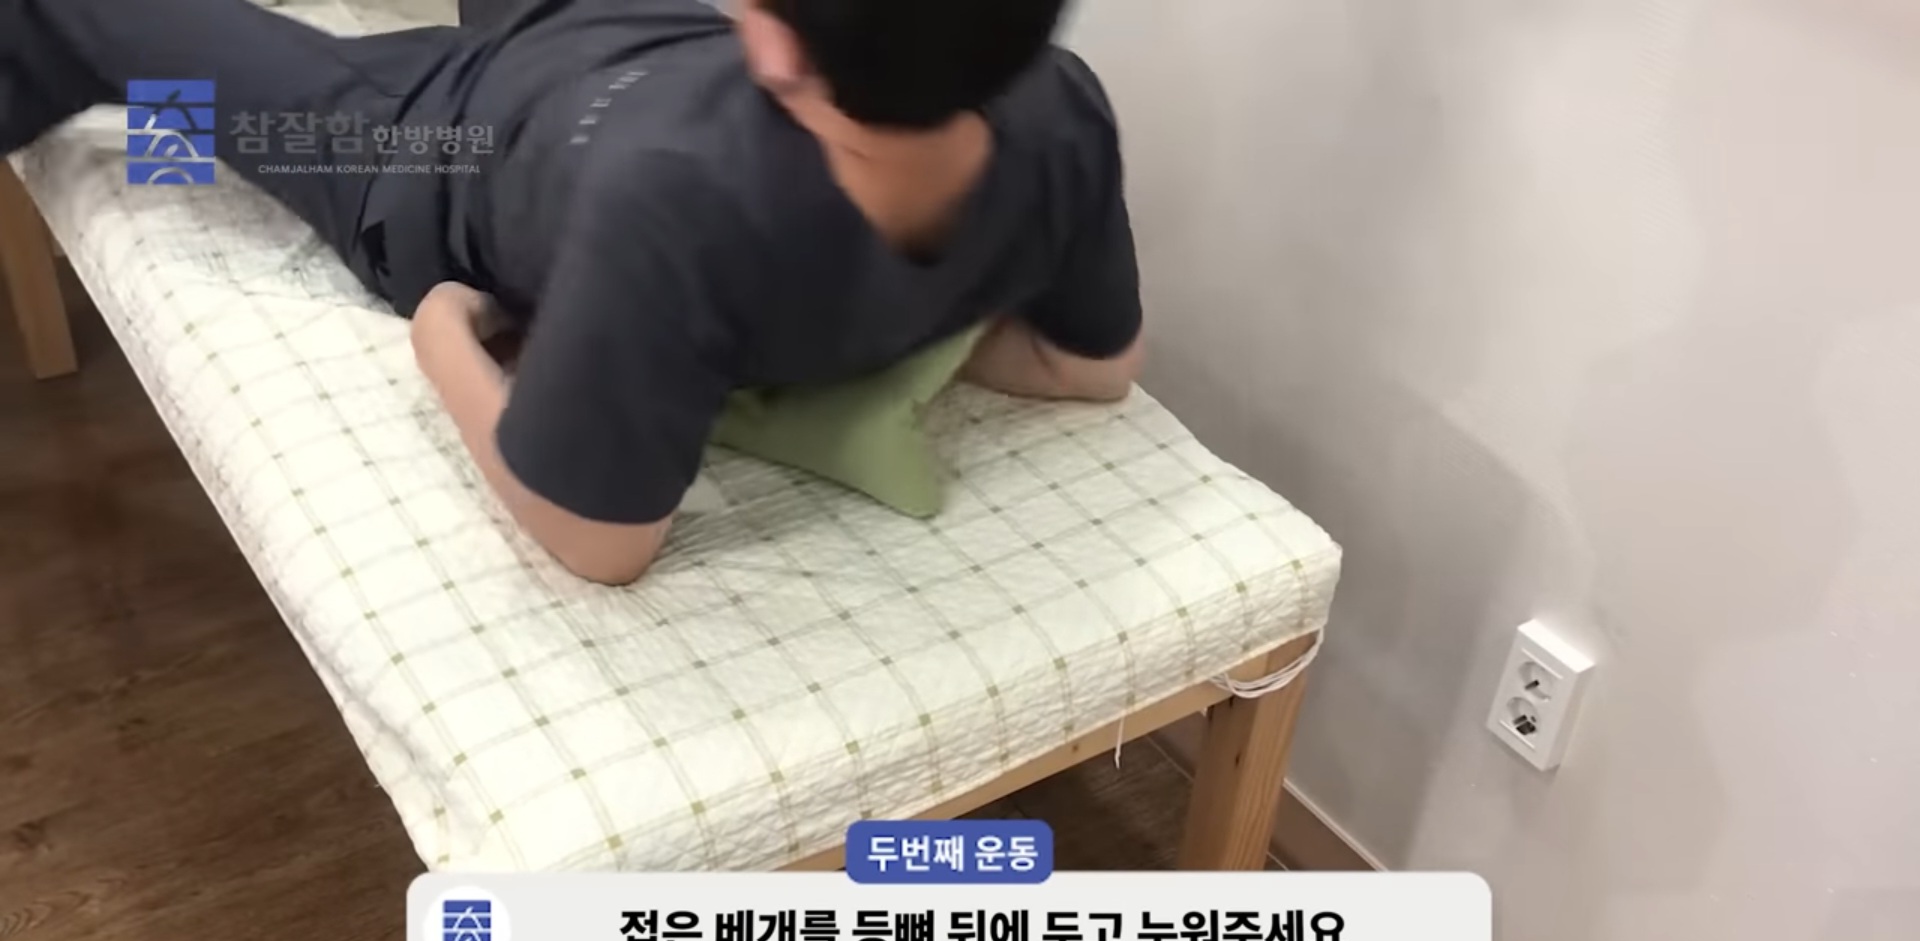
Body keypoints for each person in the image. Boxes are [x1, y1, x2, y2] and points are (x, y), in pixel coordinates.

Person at [2, 0, 1146, 585]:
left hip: (423, 143)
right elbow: (1086, 367)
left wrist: (444, 334)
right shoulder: (1060, 108)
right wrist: (905, 315)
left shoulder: (680, 209)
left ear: (784, 54)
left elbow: (600, 541)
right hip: (618, 43)